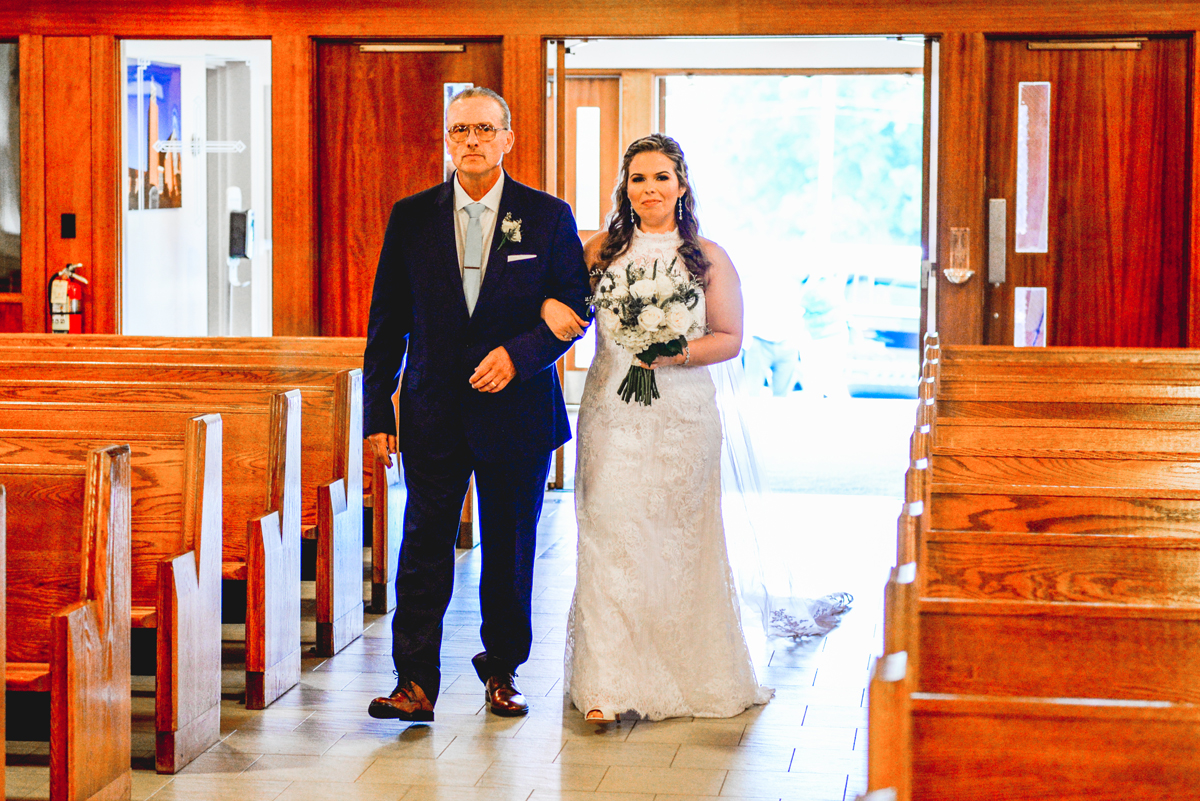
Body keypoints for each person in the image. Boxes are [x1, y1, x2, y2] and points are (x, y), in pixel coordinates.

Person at [542, 134, 852, 722]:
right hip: (612, 412)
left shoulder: (707, 257)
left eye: (661, 177)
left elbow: (731, 338)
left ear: (681, 186)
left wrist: (674, 349)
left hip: (682, 416)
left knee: (678, 541)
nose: (649, 189)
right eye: (638, 178)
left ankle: (685, 673)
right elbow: (568, 309)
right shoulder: (597, 251)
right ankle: (606, 687)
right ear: (624, 188)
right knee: (610, 538)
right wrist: (550, 311)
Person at [362, 87, 591, 722]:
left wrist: (520, 354)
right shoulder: (411, 216)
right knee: (423, 544)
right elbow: (386, 322)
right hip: (433, 407)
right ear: (446, 138)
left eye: (485, 130)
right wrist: (377, 413)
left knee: (511, 547)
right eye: (460, 129)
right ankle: (414, 682)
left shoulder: (547, 217)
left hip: (515, 409)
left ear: (507, 139)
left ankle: (503, 671)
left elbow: (577, 308)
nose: (472, 140)